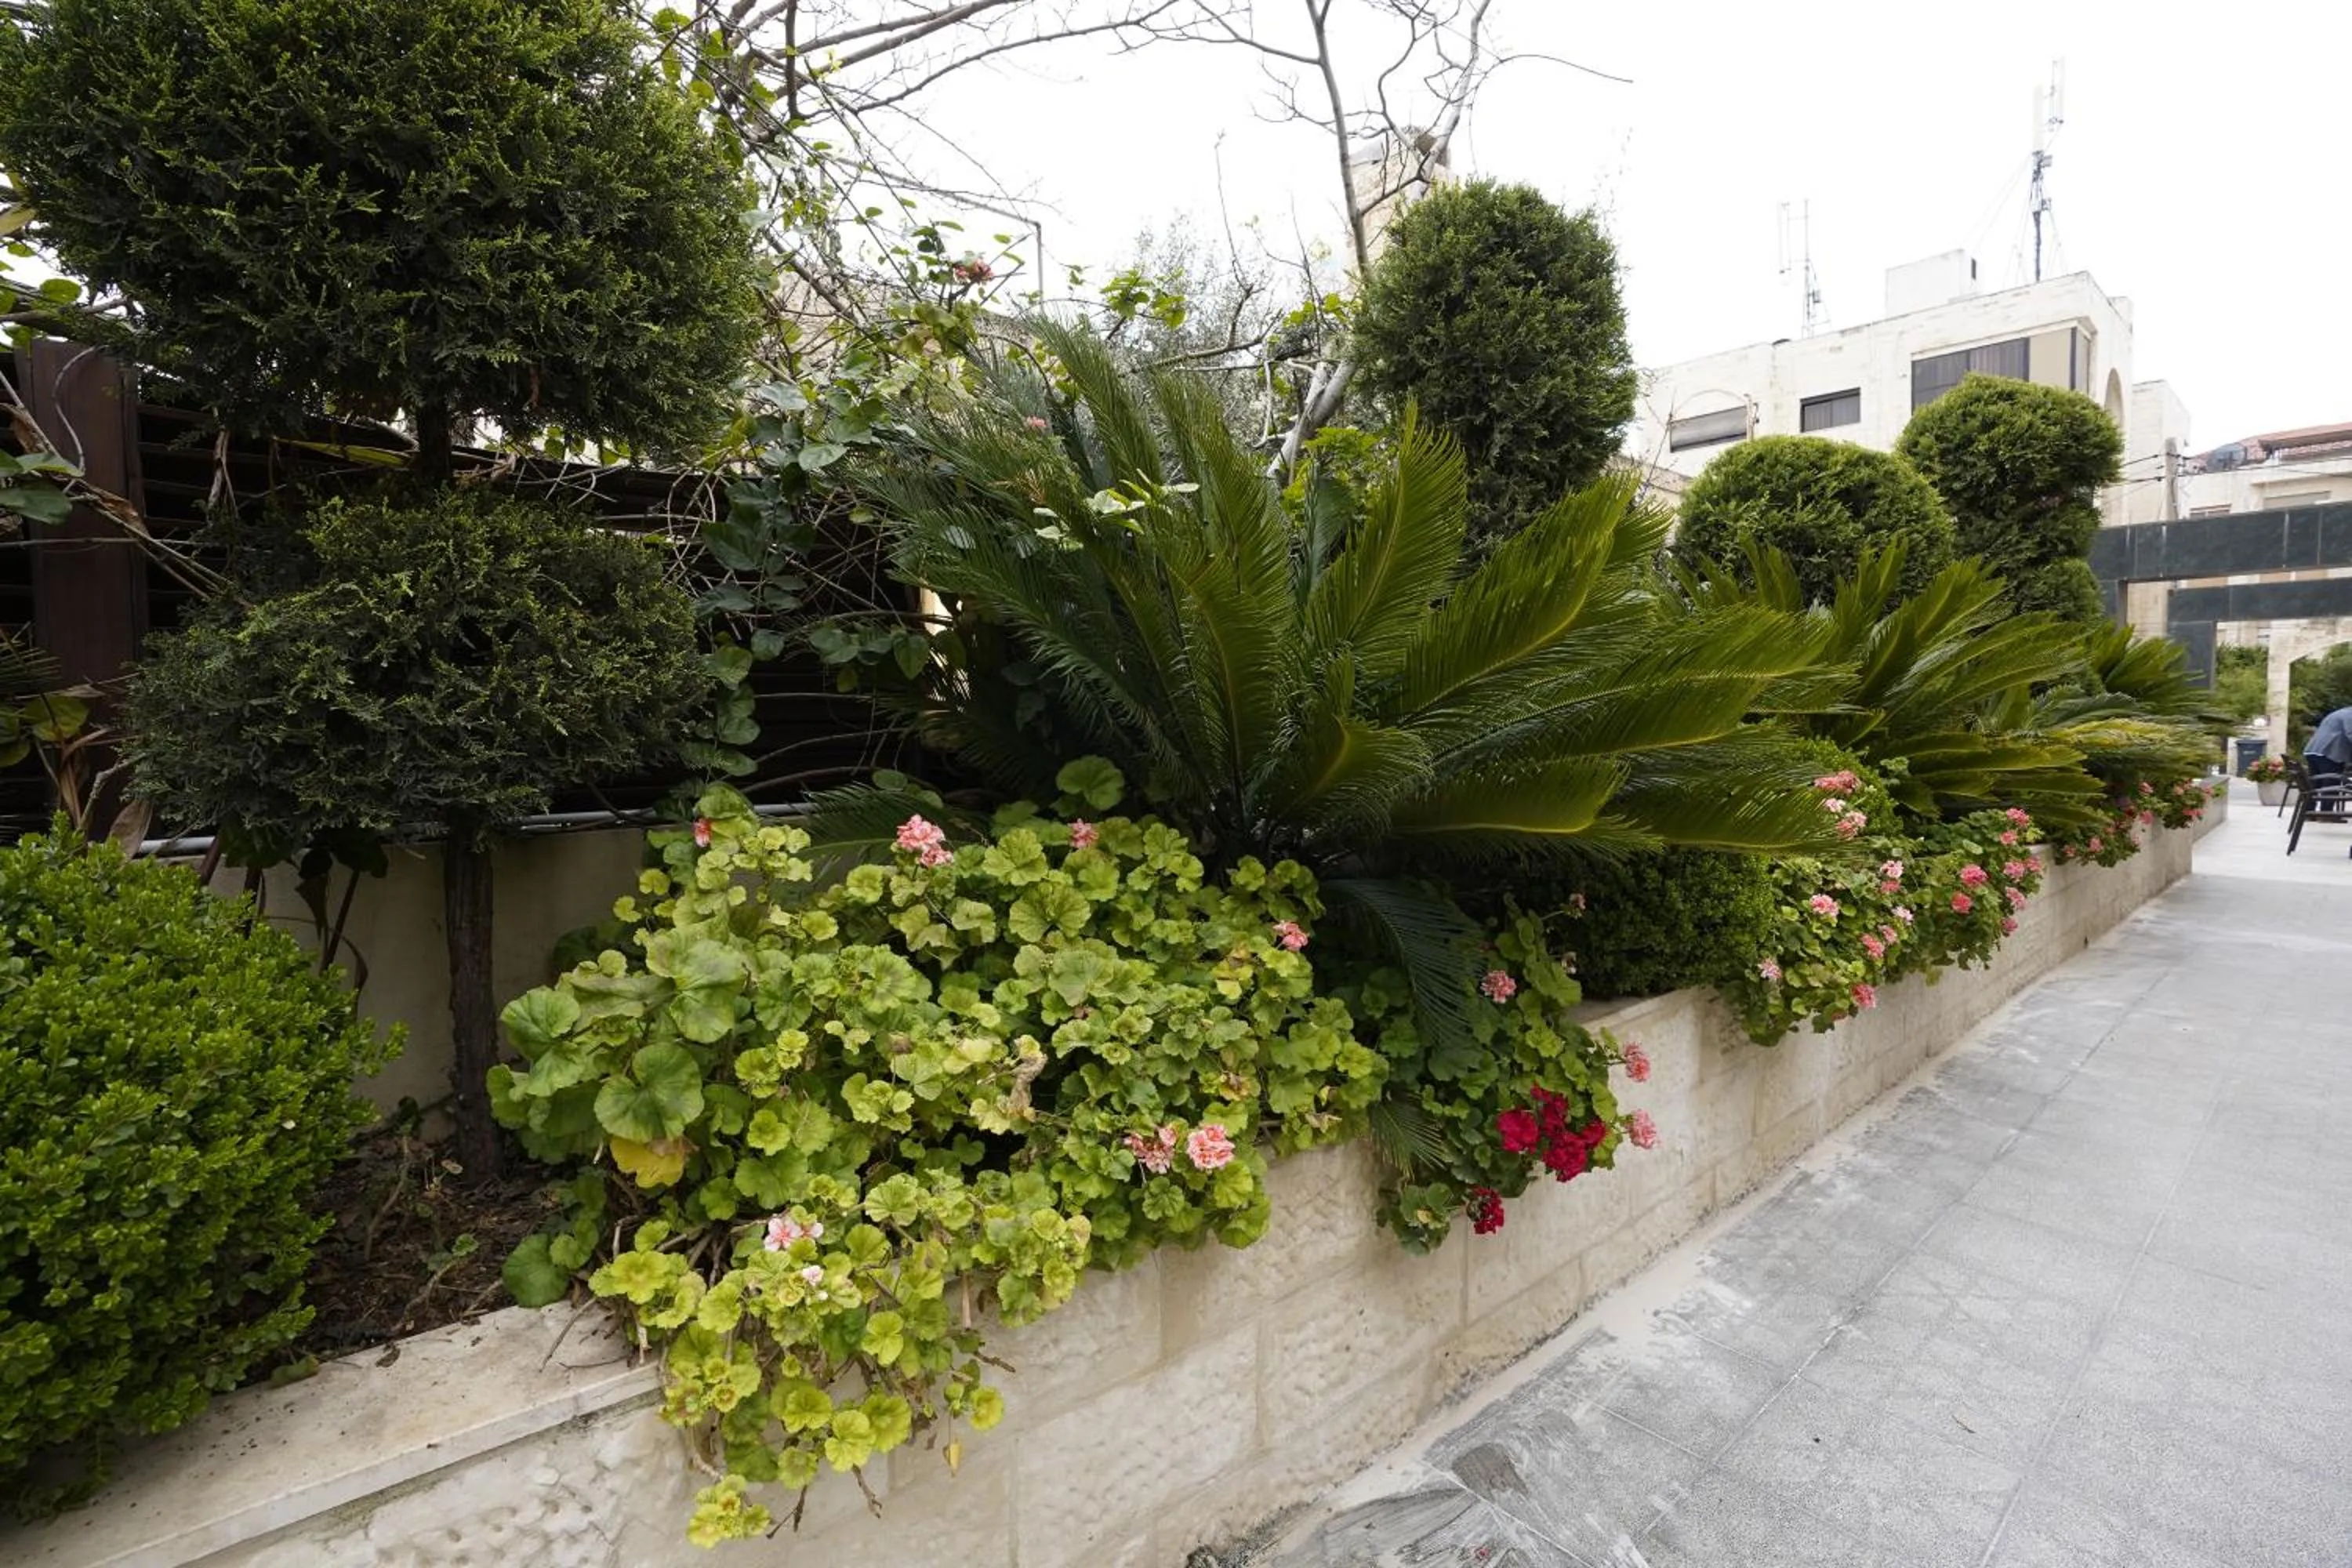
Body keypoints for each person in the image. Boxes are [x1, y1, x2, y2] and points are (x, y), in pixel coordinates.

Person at [2305, 703, 2352, 786]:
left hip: (2314, 751)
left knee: (2318, 786)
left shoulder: (2342, 713)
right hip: (2328, 753)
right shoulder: (2350, 715)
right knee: (2330, 787)